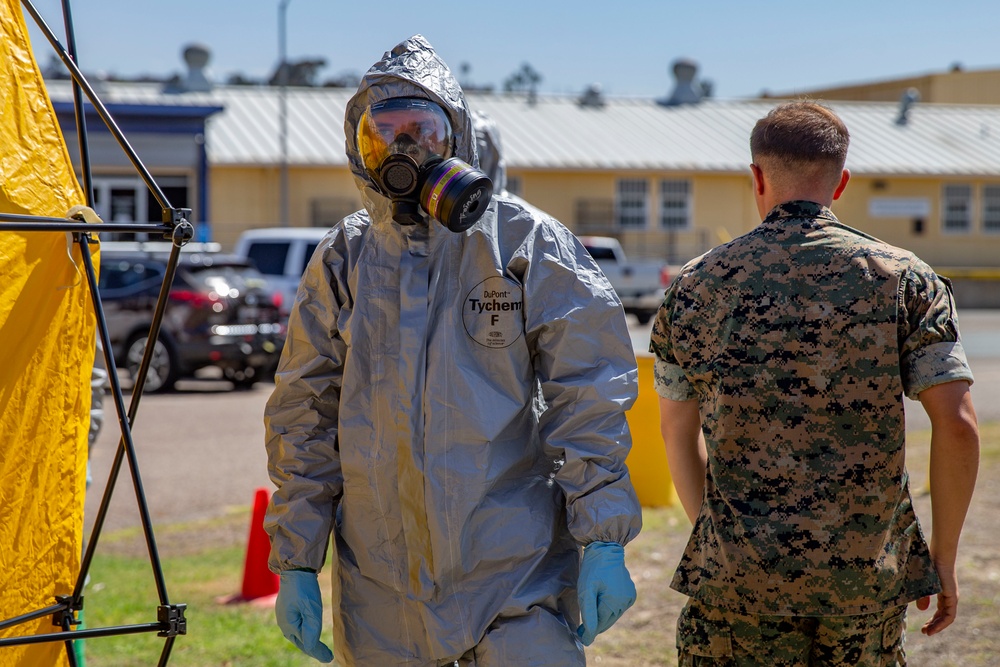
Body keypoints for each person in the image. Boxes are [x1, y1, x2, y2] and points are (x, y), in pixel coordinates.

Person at [264, 34, 642, 666]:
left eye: (421, 130)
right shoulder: (345, 256)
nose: (404, 151)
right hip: (383, 583)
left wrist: (603, 538)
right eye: (383, 134)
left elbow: (590, 392)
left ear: (457, 135)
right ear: (358, 147)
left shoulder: (526, 242)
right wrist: (295, 558)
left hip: (516, 572)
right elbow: (304, 411)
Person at [651, 100, 980, 665]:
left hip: (737, 586)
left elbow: (676, 432)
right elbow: (957, 424)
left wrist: (723, 543)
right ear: (841, 181)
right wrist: (941, 559)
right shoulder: (906, 279)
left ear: (757, 176)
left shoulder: (694, 286)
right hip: (863, 584)